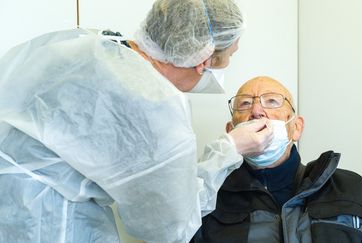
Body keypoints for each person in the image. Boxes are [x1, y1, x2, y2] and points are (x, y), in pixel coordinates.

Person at [0, 1, 274, 243]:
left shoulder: (86, 44)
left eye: (273, 101)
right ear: (204, 60)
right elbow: (167, 226)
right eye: (230, 56)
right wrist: (229, 149)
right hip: (45, 223)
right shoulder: (152, 101)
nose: (258, 111)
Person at [192, 76, 362, 243]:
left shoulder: (350, 191)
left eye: (271, 101)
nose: (257, 111)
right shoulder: (206, 199)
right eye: (245, 103)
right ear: (230, 131)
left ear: (296, 128)